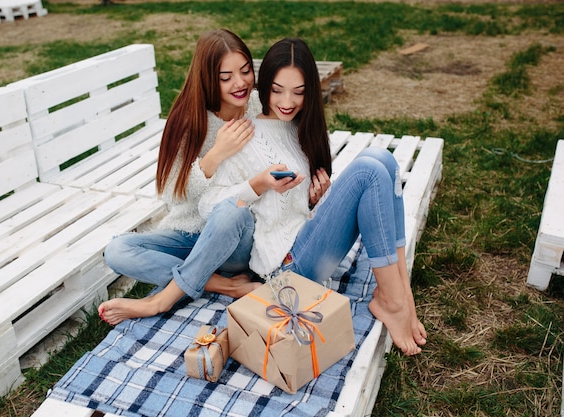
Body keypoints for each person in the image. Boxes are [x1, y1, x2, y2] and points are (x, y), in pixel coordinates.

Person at [199, 38, 427, 355]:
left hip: (306, 242)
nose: (288, 101)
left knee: (384, 161)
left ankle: (400, 294)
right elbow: (208, 205)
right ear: (264, 87)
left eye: (299, 91)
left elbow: (289, 211)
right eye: (277, 90)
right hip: (285, 270)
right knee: (368, 170)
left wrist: (312, 202)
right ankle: (390, 300)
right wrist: (258, 184)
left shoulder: (300, 128)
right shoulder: (245, 133)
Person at [98, 29, 263, 325]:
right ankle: (221, 284)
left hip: (236, 241)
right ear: (208, 79)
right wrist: (215, 156)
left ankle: (160, 301)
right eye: (226, 77)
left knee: (231, 210)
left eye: (246, 71)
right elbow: (173, 193)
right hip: (190, 235)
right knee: (117, 250)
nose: (240, 83)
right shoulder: (189, 120)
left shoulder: (258, 106)